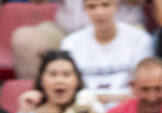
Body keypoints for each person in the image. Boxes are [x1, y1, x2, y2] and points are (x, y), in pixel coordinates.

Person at [10, 0, 146, 82]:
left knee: (140, 36)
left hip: (119, 30)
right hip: (66, 31)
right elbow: (37, 1)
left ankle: (131, 104)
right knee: (25, 38)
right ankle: (41, 102)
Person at [59, 0, 153, 105]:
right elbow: (70, 91)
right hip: (85, 110)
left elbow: (144, 89)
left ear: (116, 7)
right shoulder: (71, 43)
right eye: (92, 7)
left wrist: (94, 97)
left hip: (129, 109)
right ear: (84, 10)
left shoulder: (139, 39)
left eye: (105, 5)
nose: (99, 12)